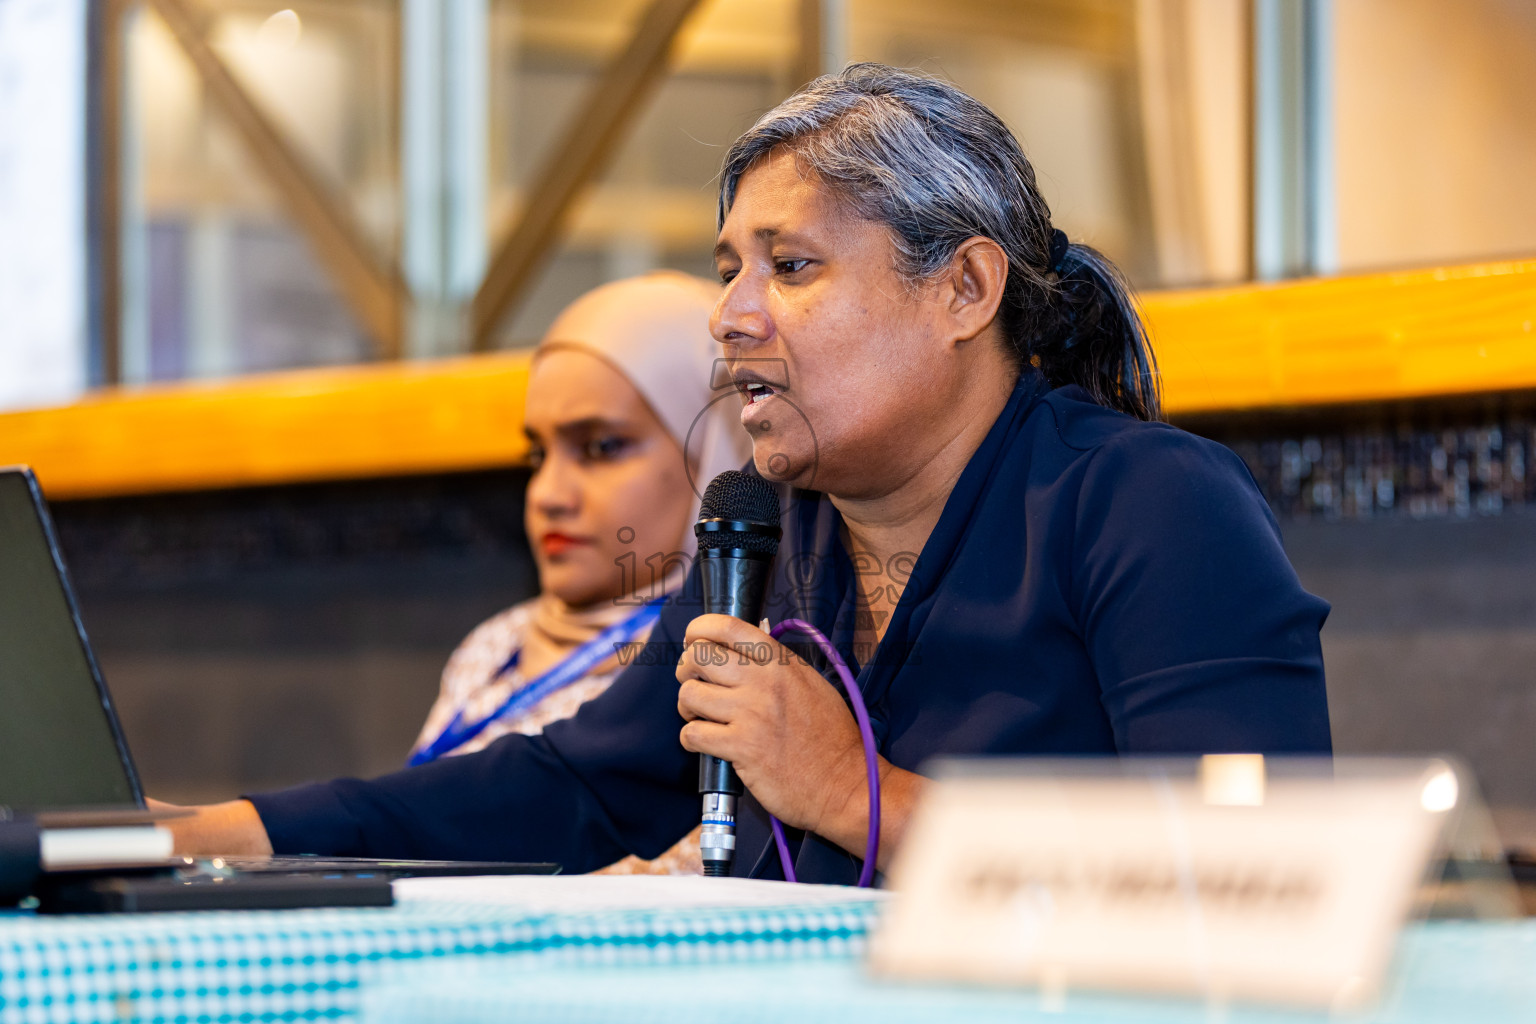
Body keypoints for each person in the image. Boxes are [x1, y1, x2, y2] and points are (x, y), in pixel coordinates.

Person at [166, 64, 1331, 884]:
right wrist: (234, 830)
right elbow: (583, 786)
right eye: (730, 269)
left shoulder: (1152, 507)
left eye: (792, 265)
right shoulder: (774, 528)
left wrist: (848, 786)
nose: (730, 316)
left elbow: (1263, 873)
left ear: (965, 291)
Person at [407, 272, 750, 875]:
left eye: (600, 448)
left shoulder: (733, 661)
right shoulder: (495, 646)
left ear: (713, 448)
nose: (548, 495)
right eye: (538, 455)